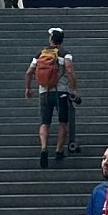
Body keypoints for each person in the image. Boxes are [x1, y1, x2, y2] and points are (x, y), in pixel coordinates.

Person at [25, 26, 79, 166]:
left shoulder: (40, 54)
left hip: (44, 92)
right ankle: (58, 150)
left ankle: (43, 148)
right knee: (63, 122)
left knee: (45, 122)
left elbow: (29, 72)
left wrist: (28, 88)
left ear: (51, 40)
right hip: (61, 91)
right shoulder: (65, 54)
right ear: (62, 40)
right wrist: (74, 89)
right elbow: (69, 70)